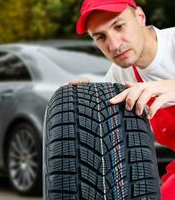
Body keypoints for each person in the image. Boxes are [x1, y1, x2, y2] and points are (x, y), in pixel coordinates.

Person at [72, 0, 175, 199]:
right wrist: (79, 104)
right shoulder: (119, 76)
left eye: (119, 26)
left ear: (140, 17)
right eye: (101, 37)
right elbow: (101, 134)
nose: (114, 45)